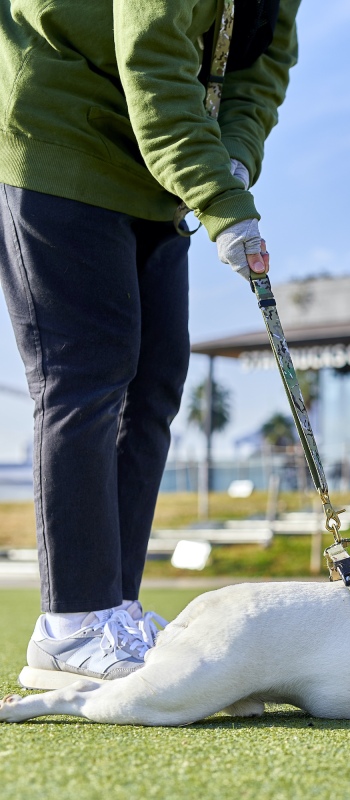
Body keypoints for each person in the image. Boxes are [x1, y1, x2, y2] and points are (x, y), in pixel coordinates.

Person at [0, 0, 300, 689]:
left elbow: (259, 72)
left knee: (156, 382)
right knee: (86, 373)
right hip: (56, 130)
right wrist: (224, 209)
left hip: (152, 166)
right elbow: (155, 65)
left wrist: (232, 163)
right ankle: (72, 624)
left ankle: (117, 612)